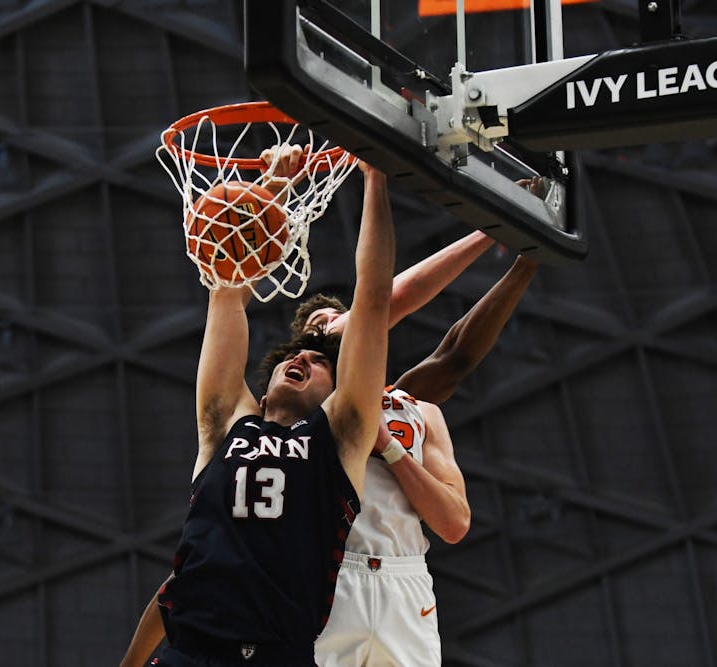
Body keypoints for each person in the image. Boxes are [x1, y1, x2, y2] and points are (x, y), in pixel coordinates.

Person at [119, 161, 395, 667]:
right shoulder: (226, 422)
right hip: (191, 651)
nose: (302, 358)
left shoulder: (340, 438)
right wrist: (272, 192)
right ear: (262, 393)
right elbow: (226, 288)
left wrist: (375, 175)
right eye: (294, 356)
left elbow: (374, 301)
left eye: (319, 362)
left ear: (336, 396)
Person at [292, 237, 538, 666]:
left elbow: (455, 357)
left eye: (337, 319)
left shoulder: (411, 407)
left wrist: (529, 260)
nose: (335, 327)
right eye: (322, 327)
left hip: (403, 575)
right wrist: (491, 230)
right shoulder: (295, 401)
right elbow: (382, 303)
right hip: (325, 571)